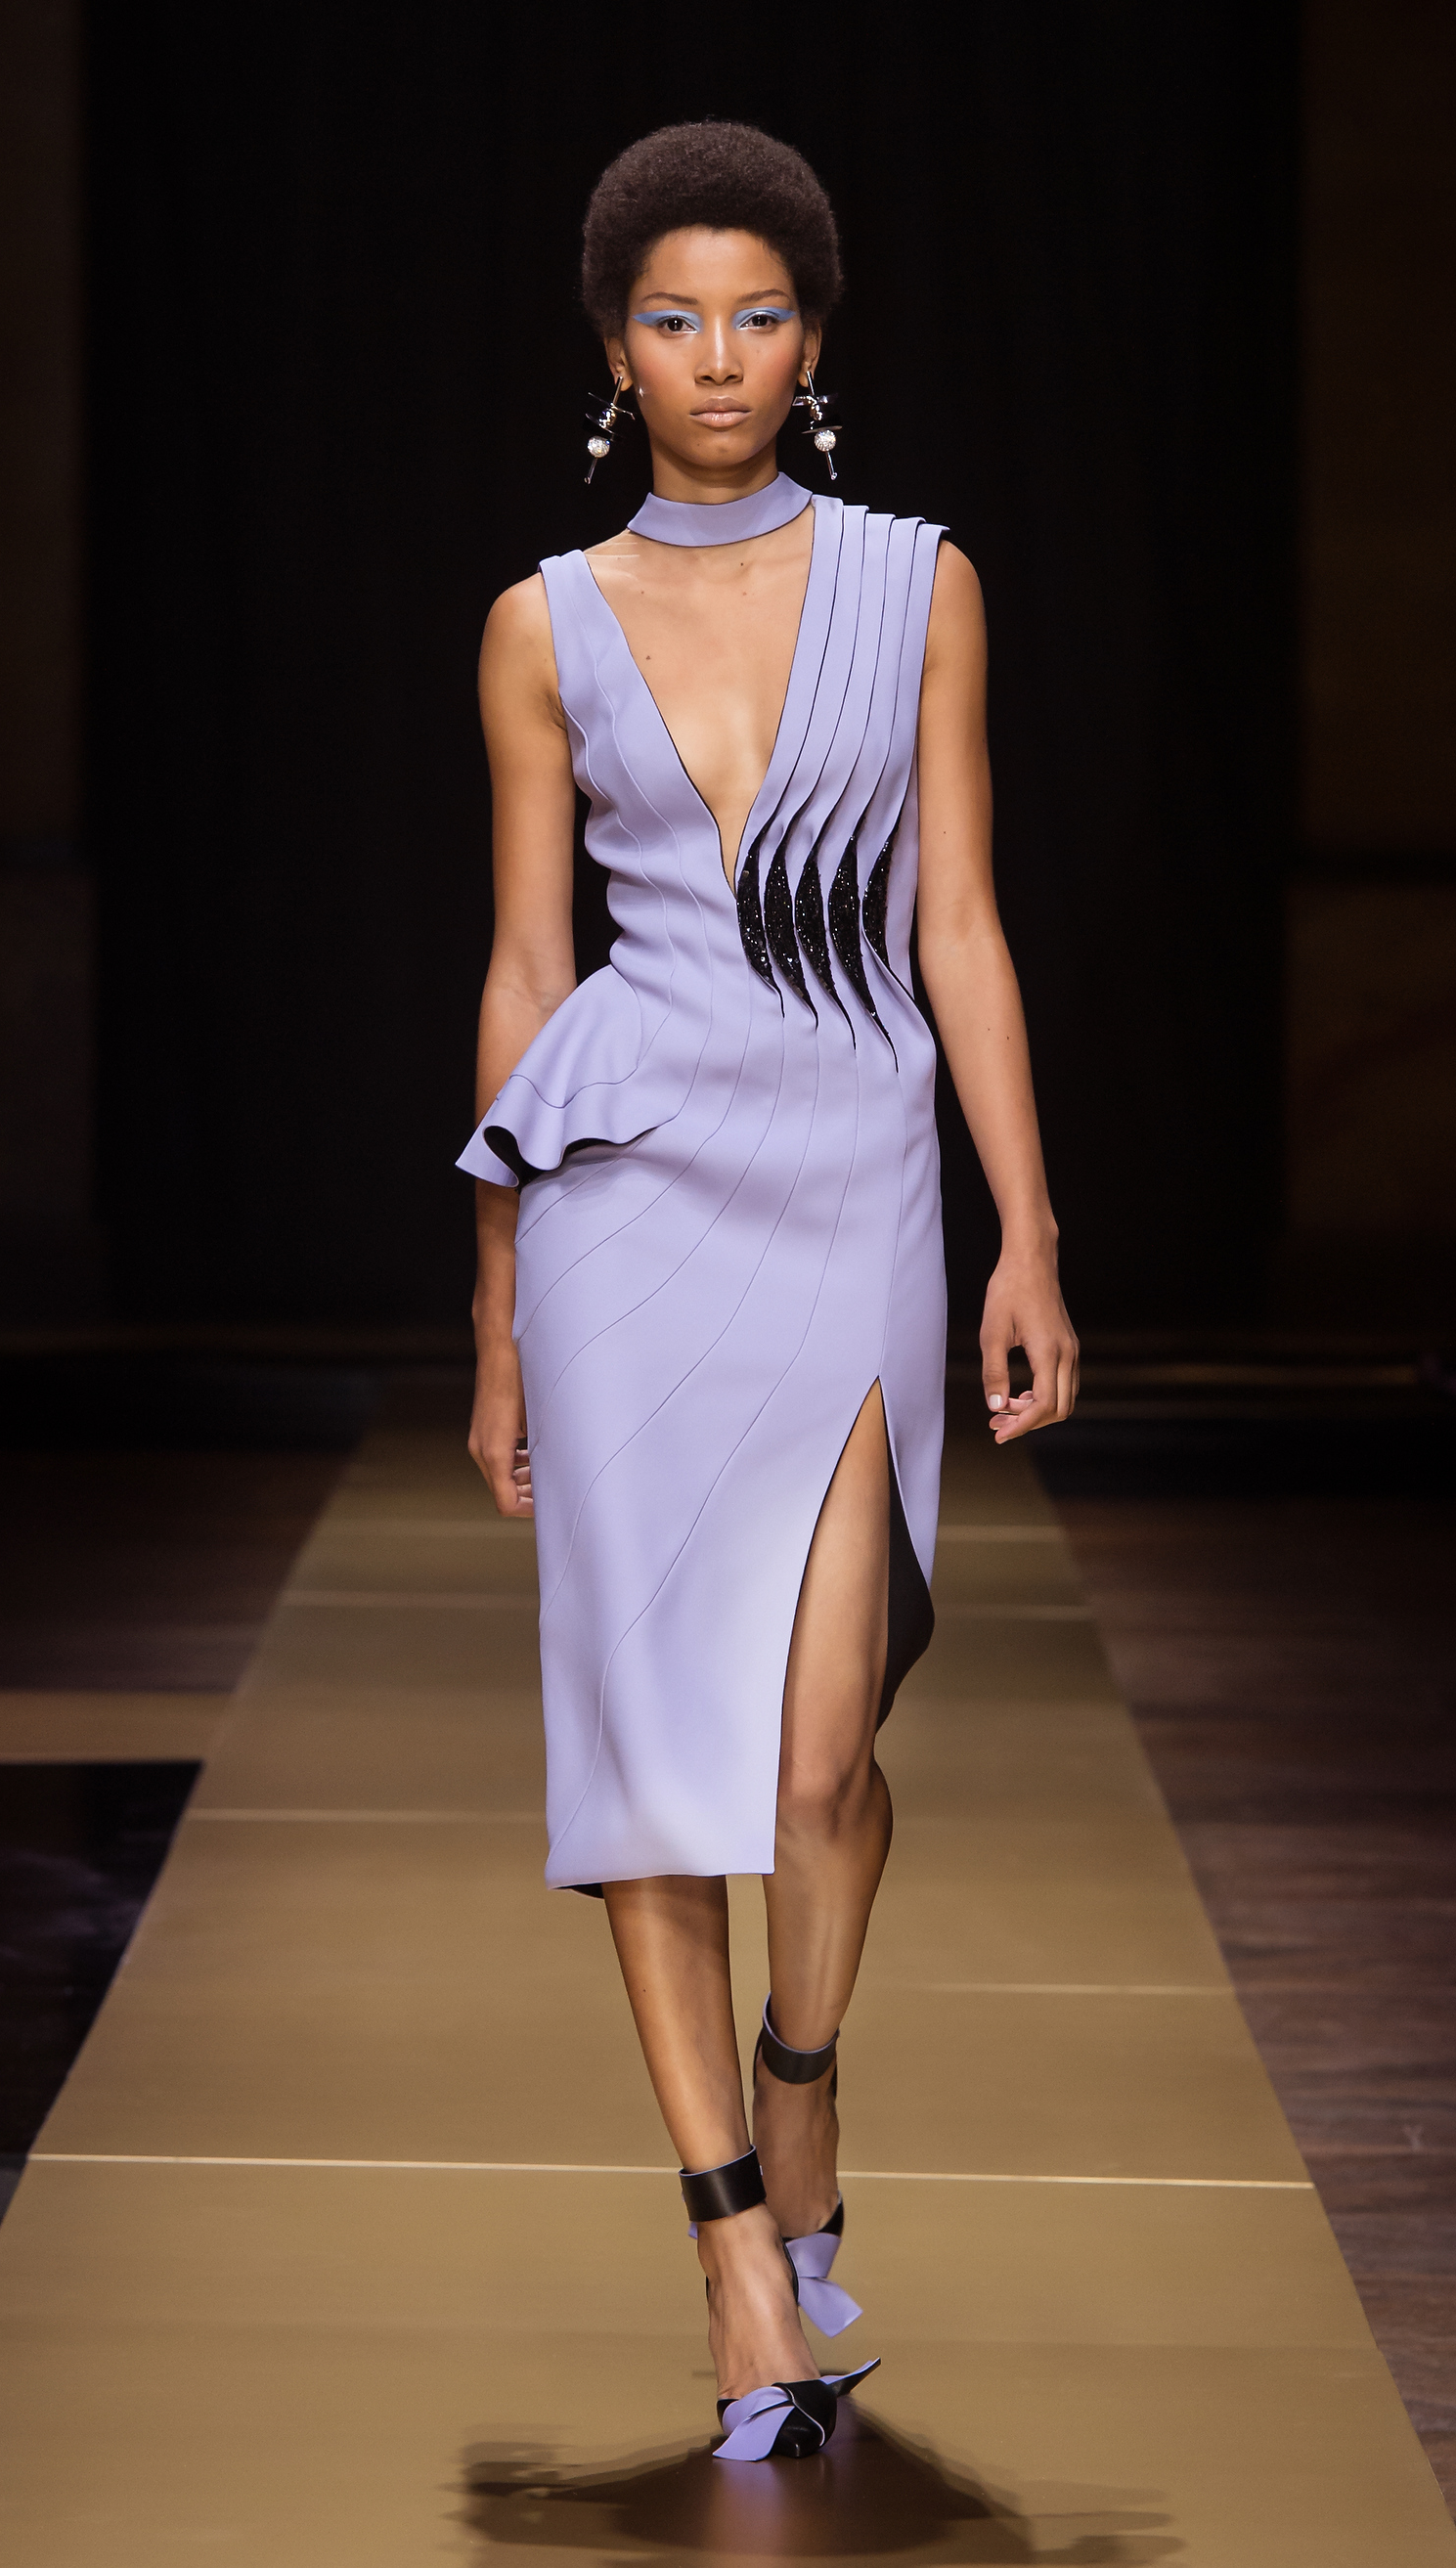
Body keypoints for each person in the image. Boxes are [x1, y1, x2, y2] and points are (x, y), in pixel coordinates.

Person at [461, 122, 1078, 2462]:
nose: (714, 357)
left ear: (809, 341)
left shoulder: (920, 585)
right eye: (669, 317)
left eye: (754, 315)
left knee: (817, 1757)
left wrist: (1024, 1230)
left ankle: (799, 2075)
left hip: (846, 1174)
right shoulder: (541, 621)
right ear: (613, 349)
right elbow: (528, 966)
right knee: (649, 1751)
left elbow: (960, 925)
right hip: (623, 1202)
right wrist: (497, 1307)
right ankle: (735, 2253)